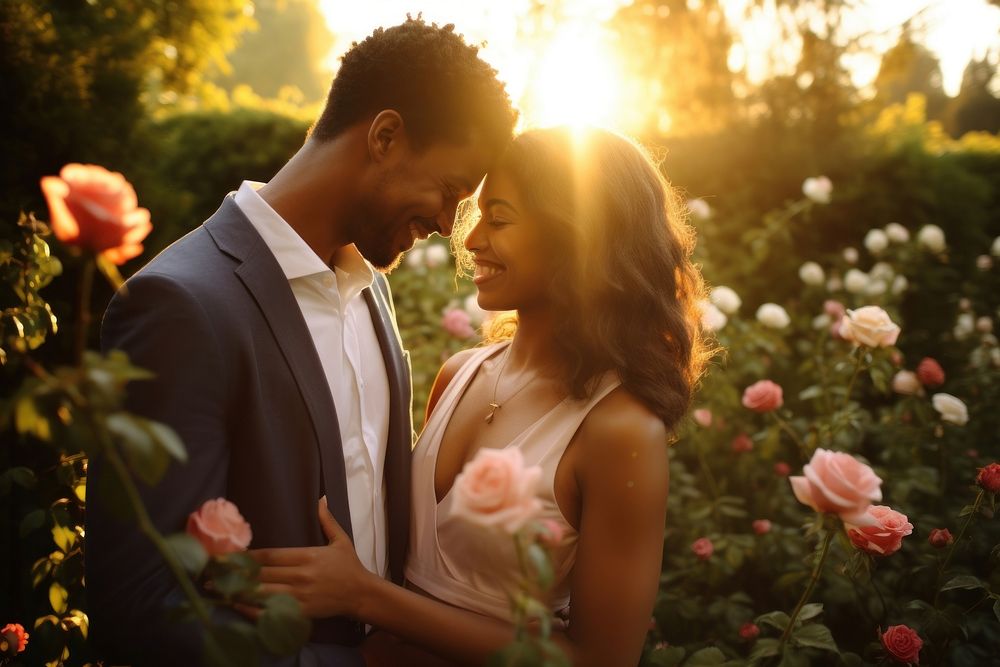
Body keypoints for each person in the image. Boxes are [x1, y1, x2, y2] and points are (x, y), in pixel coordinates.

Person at [84, 17, 517, 666]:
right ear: (386, 135)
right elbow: (142, 609)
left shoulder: (372, 289)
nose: (443, 224)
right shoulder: (181, 306)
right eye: (451, 192)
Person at [250, 126, 710, 666]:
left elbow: (600, 659)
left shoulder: (620, 430)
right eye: (479, 215)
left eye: (501, 218)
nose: (469, 240)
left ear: (578, 236)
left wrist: (364, 595)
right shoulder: (459, 373)